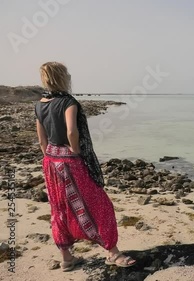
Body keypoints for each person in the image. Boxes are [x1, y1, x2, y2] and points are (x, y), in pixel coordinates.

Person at [35, 62, 136, 271]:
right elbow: (72, 132)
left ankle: (67, 258)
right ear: (63, 77)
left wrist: (50, 155)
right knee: (101, 205)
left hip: (50, 162)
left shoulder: (39, 104)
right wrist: (76, 152)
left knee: (59, 209)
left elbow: (41, 141)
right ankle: (113, 252)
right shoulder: (68, 102)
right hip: (70, 162)